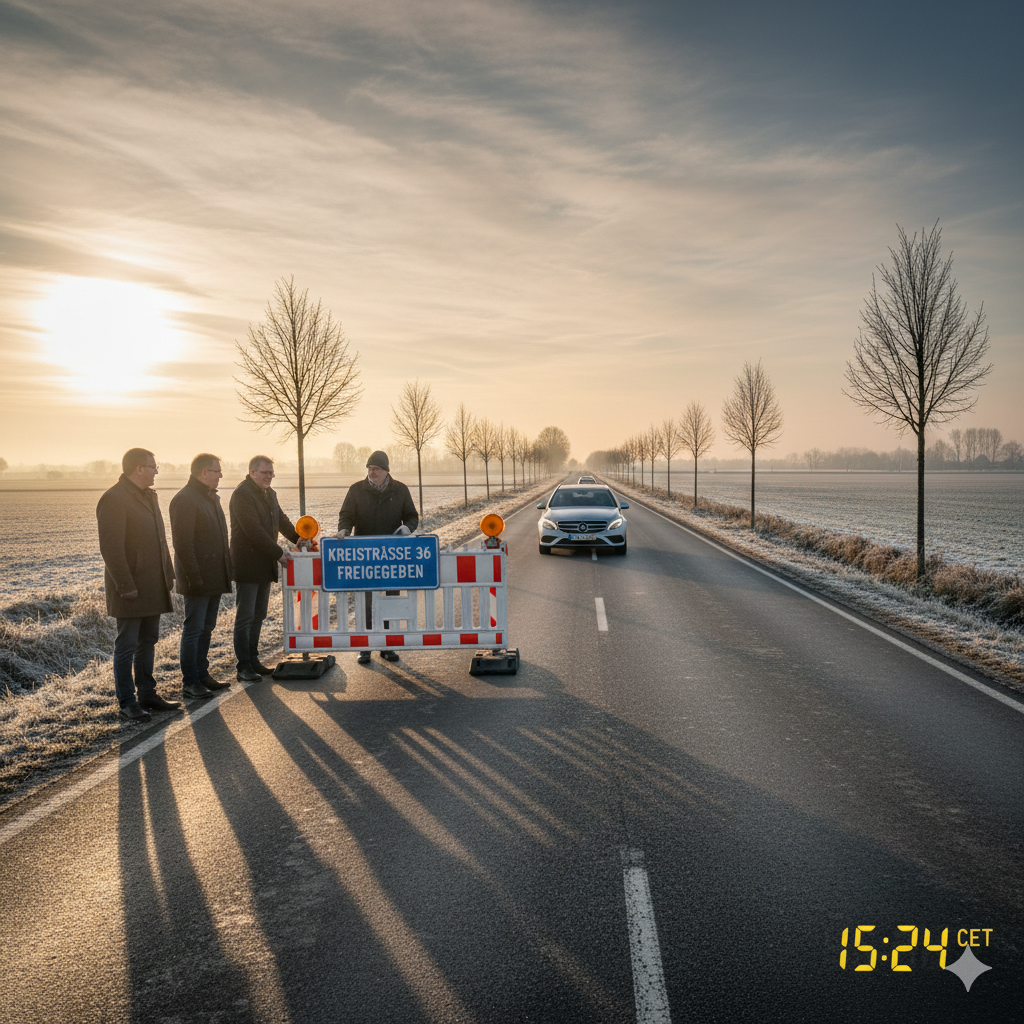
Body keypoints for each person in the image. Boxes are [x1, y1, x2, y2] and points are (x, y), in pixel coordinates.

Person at [96, 448, 181, 722]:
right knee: (127, 645)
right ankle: (127, 701)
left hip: (153, 584)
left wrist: (168, 574)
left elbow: (159, 540)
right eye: (153, 466)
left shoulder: (149, 496)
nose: (157, 470)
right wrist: (125, 585)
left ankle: (147, 694)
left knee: (148, 641)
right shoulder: (114, 499)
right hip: (131, 587)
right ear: (138, 469)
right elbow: (111, 548)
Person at [335, 450, 419, 664]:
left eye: (376, 469)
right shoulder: (356, 490)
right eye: (369, 469)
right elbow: (346, 515)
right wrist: (344, 529)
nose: (371, 473)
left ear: (386, 470)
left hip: (392, 555)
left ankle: (388, 646)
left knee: (391, 599)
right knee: (366, 601)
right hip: (364, 556)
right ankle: (366, 646)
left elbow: (411, 516)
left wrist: (407, 528)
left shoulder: (400, 490)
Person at [229, 455, 299, 682]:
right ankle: (243, 666)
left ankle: (253, 659)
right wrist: (279, 553)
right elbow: (253, 530)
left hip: (264, 563)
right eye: (264, 473)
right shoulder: (242, 495)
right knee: (245, 616)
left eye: (271, 473)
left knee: (258, 615)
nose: (269, 476)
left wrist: (299, 538)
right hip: (248, 564)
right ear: (251, 473)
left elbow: (281, 520)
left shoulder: (270, 494)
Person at [169, 453, 233, 699]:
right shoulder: (185, 499)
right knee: (194, 629)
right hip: (197, 579)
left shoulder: (211, 498)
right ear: (203, 473)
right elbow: (183, 544)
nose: (220, 475)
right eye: (217, 471)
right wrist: (194, 577)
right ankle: (190, 681)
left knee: (207, 628)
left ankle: (203, 674)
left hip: (214, 576)